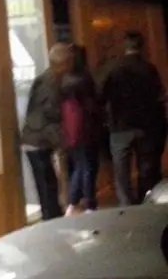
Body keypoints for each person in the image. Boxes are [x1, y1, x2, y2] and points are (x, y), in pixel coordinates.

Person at [100, 31, 166, 205]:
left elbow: (102, 96)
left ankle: (126, 204)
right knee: (146, 167)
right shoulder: (149, 69)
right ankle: (146, 200)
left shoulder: (113, 69)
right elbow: (158, 95)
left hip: (120, 125)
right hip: (145, 125)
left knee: (121, 170)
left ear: (125, 46)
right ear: (142, 46)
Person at [21, 43, 73, 220]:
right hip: (38, 140)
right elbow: (49, 116)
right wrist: (61, 142)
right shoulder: (50, 84)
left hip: (36, 139)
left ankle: (52, 217)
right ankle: (51, 220)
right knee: (47, 186)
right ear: (62, 63)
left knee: (48, 185)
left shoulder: (47, 79)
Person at [62, 44, 101, 215]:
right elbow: (92, 104)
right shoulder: (85, 78)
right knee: (88, 167)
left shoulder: (64, 79)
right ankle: (90, 204)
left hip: (71, 130)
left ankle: (72, 203)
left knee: (79, 165)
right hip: (86, 128)